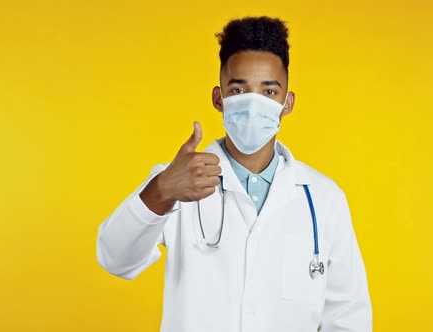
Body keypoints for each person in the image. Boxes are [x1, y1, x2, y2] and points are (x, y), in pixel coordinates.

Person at [96, 16, 372, 332]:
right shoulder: (176, 182)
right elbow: (114, 258)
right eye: (239, 90)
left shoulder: (323, 199)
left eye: (269, 92)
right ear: (219, 99)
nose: (253, 105)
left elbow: (348, 319)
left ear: (287, 103)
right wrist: (161, 190)